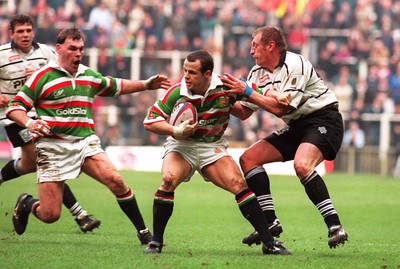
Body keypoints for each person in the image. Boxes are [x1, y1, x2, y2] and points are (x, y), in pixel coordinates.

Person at [6, 27, 171, 245]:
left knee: (116, 181)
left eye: (81, 49)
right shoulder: (42, 77)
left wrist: (145, 85)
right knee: (50, 215)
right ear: (59, 49)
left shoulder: (87, 74)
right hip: (52, 149)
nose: (78, 53)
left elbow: (114, 85)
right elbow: (14, 108)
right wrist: (30, 122)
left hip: (85, 143)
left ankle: (144, 234)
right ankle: (27, 203)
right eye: (72, 48)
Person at [142, 50, 292, 255]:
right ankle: (156, 242)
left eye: (192, 72)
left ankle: (269, 243)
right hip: (181, 147)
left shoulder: (227, 85)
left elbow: (259, 91)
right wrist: (175, 130)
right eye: (185, 70)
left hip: (212, 147)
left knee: (239, 184)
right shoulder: (177, 91)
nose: (186, 76)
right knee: (168, 179)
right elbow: (150, 122)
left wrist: (278, 95)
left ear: (207, 74)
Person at [221, 26, 348, 249]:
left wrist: (248, 91)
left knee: (302, 165)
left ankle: (335, 225)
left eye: (255, 46)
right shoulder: (256, 73)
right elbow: (244, 112)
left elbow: (282, 109)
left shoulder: (296, 64)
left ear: (271, 46)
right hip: (297, 124)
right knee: (249, 159)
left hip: (323, 119)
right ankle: (270, 223)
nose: (251, 52)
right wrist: (223, 98)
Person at [0, 14, 100, 233]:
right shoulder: (2, 55)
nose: (25, 35)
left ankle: (20, 197)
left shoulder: (46, 53)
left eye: (28, 30)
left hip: (43, 115)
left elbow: (61, 74)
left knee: (29, 164)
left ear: (34, 32)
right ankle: (79, 214)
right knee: (43, 159)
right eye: (20, 31)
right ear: (11, 34)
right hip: (16, 117)